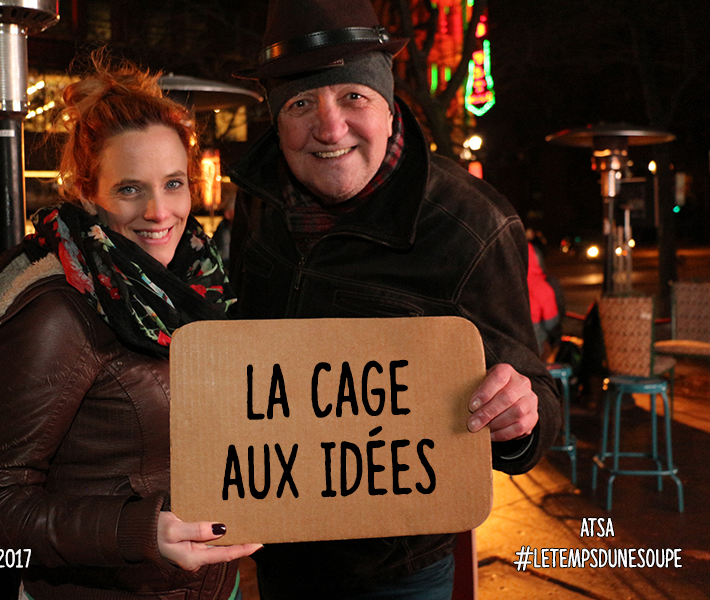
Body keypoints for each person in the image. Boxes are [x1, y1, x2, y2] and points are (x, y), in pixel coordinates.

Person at [228, 0, 562, 598]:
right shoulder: (258, 203)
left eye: (353, 96)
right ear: (275, 121)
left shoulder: (471, 225)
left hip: (398, 574)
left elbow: (537, 400)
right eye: (300, 104)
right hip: (276, 552)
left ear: (388, 106)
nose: (330, 128)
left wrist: (520, 416)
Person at [0, 53, 261, 600]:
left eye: (173, 183)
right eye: (129, 189)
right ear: (85, 191)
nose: (159, 211)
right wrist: (137, 532)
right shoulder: (59, 312)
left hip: (211, 587)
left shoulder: (195, 286)